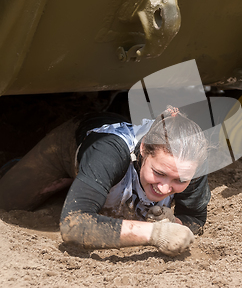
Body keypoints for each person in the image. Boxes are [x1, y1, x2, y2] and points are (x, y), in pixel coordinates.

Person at [0, 107, 210, 256]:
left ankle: (90, 185)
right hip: (72, 146)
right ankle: (24, 168)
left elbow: (194, 217)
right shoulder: (109, 152)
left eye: (179, 180)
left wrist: (175, 223)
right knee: (6, 202)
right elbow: (74, 224)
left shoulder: (190, 164)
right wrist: (155, 233)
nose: (165, 187)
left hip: (112, 167)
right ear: (144, 148)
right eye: (159, 172)